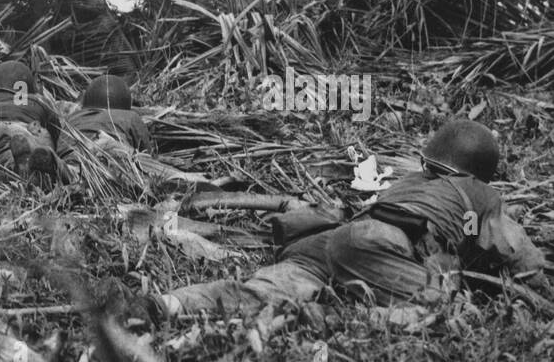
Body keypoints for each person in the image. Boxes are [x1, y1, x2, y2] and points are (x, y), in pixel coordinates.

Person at [163, 119, 547, 318]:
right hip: (373, 244)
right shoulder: (480, 193)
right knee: (441, 310)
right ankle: (324, 318)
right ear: (481, 168)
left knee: (255, 293)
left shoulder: (410, 181)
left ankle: (165, 305)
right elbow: (518, 255)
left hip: (325, 243)